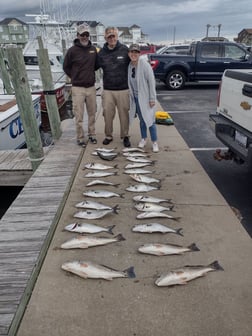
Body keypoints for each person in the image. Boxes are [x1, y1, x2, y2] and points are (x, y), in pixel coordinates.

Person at [63, 24, 98, 147]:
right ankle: (80, 137)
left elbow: (97, 65)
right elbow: (66, 67)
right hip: (78, 88)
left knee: (92, 113)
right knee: (78, 115)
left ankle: (92, 135)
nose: (84, 37)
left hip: (91, 87)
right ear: (77, 36)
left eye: (86, 35)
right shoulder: (72, 51)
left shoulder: (93, 49)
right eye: (82, 35)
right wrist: (74, 76)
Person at [98, 26, 131, 147]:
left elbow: (134, 63)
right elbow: (93, 67)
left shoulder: (124, 49)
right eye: (109, 36)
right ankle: (108, 135)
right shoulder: (101, 53)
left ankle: (125, 136)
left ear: (117, 36)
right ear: (105, 37)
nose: (112, 38)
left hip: (123, 89)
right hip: (108, 90)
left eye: (113, 36)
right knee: (107, 114)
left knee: (124, 115)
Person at [128, 43, 159, 152]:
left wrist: (152, 98)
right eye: (132, 52)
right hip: (136, 98)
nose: (134, 54)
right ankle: (144, 138)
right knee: (142, 120)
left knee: (150, 119)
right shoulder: (130, 66)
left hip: (145, 98)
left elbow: (151, 82)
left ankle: (155, 141)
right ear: (129, 53)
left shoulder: (145, 65)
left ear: (139, 54)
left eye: (136, 52)